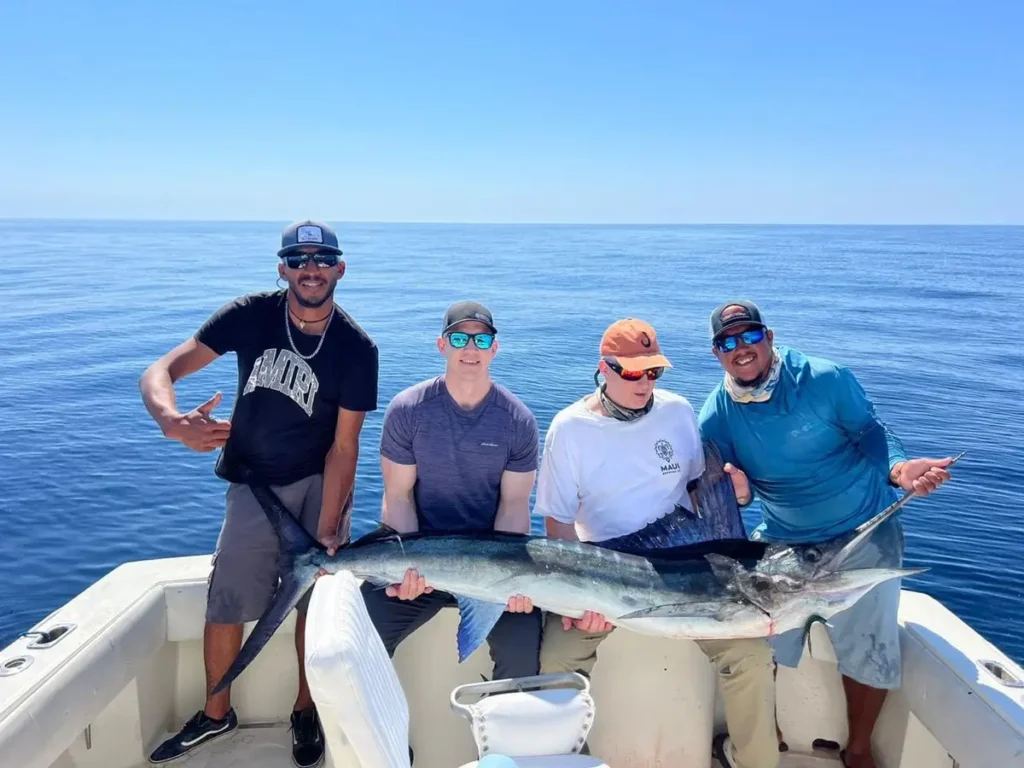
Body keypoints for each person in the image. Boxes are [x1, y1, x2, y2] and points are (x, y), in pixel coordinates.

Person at [139, 220, 379, 767]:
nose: (310, 270)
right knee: (226, 601)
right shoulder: (249, 315)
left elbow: (345, 447)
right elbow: (160, 371)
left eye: (322, 260)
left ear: (340, 268)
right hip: (253, 484)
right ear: (282, 269)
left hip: (318, 484)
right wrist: (173, 422)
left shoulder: (357, 349)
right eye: (298, 260)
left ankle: (305, 711)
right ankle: (216, 715)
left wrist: (331, 521)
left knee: (311, 608)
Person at [697, 300, 954, 768]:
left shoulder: (825, 378)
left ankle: (858, 750)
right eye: (727, 342)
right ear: (717, 354)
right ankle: (765, 735)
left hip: (861, 532)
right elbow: (732, 493)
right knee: (754, 637)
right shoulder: (716, 417)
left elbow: (871, 433)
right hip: (783, 539)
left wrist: (899, 469)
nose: (741, 349)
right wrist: (739, 494)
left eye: (750, 336)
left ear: (769, 337)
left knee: (870, 641)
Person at [536, 318, 780, 768]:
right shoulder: (569, 429)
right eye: (631, 372)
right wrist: (574, 599)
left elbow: (696, 491)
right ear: (603, 369)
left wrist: (739, 494)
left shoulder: (677, 411)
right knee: (556, 660)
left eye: (653, 372)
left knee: (750, 655)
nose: (644, 383)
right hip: (606, 574)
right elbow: (559, 524)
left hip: (689, 572)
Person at [361, 300, 543, 683]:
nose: (470, 349)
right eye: (459, 338)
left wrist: (513, 582)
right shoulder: (407, 410)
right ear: (442, 346)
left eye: (481, 340)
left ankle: (500, 745)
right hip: (420, 559)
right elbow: (398, 497)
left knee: (524, 653)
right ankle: (384, 744)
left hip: (493, 568)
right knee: (358, 642)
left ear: (495, 348)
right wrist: (405, 571)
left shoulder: (519, 421)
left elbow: (513, 508)